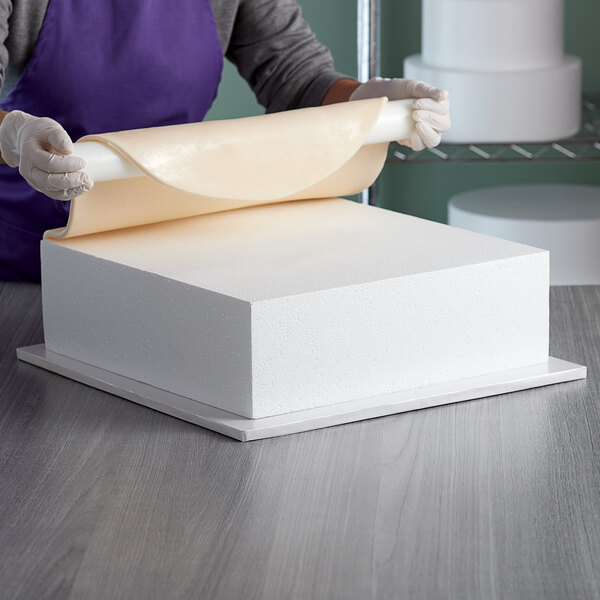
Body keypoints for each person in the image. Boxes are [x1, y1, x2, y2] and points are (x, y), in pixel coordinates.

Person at [0, 0, 450, 281]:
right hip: (29, 256)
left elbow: (296, 75)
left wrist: (364, 99)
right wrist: (13, 135)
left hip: (166, 249)